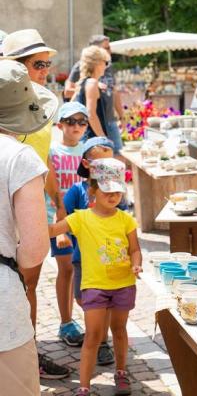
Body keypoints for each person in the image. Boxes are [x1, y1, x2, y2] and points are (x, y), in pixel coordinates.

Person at [1, 28, 70, 379]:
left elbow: (44, 163)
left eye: (47, 64)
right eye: (38, 63)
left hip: (32, 207)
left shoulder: (42, 106)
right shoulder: (7, 105)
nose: (45, 71)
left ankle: (30, 348)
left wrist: (58, 203)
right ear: (14, 67)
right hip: (6, 215)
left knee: (31, 285)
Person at [49, 158, 143, 396]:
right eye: (107, 191)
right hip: (94, 286)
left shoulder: (127, 219)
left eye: (118, 191)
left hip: (124, 284)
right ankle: (84, 386)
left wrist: (137, 265)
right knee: (93, 335)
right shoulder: (81, 218)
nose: (113, 196)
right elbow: (52, 230)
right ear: (92, 190)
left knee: (120, 331)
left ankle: (121, 374)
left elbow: (134, 249)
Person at [64, 136, 118, 365]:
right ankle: (96, 333)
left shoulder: (113, 191)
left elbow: (122, 215)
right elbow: (67, 217)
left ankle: (101, 343)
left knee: (102, 302)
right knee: (81, 298)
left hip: (106, 259)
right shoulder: (76, 191)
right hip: (82, 258)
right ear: (87, 164)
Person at [48, 102, 90, 346]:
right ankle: (66, 323)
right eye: (71, 121)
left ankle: (93, 322)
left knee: (85, 270)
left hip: (85, 221)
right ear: (60, 125)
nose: (76, 126)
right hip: (61, 218)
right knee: (66, 269)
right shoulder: (52, 151)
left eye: (81, 121)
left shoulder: (87, 152)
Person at [65, 35, 125, 157]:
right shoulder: (91, 83)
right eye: (105, 62)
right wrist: (103, 139)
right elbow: (91, 114)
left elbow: (71, 105)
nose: (106, 65)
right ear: (97, 63)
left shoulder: (85, 82)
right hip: (93, 133)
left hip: (91, 132)